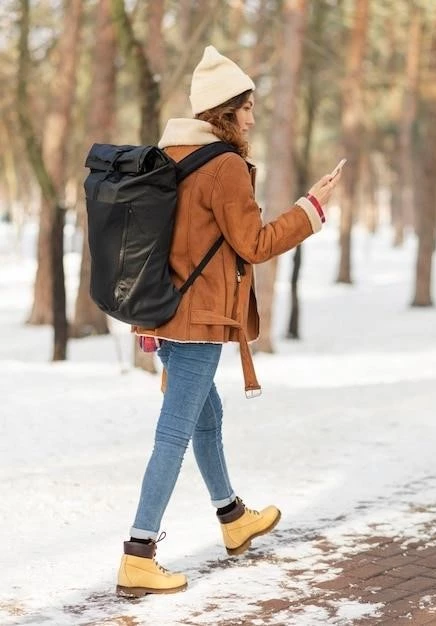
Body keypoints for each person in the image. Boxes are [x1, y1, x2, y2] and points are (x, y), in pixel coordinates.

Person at [116, 45, 342, 598]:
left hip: (168, 313)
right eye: (247, 106)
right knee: (173, 434)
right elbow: (255, 243)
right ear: (225, 111)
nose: (253, 115)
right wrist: (310, 208)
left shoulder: (171, 153)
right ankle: (138, 553)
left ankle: (233, 516)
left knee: (205, 420)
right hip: (200, 320)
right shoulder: (224, 167)